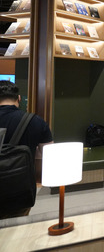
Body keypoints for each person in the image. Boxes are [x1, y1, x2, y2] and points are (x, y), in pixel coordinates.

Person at [0, 81, 53, 219]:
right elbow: (49, 154)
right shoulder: (35, 121)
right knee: (16, 229)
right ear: (18, 98)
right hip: (20, 191)